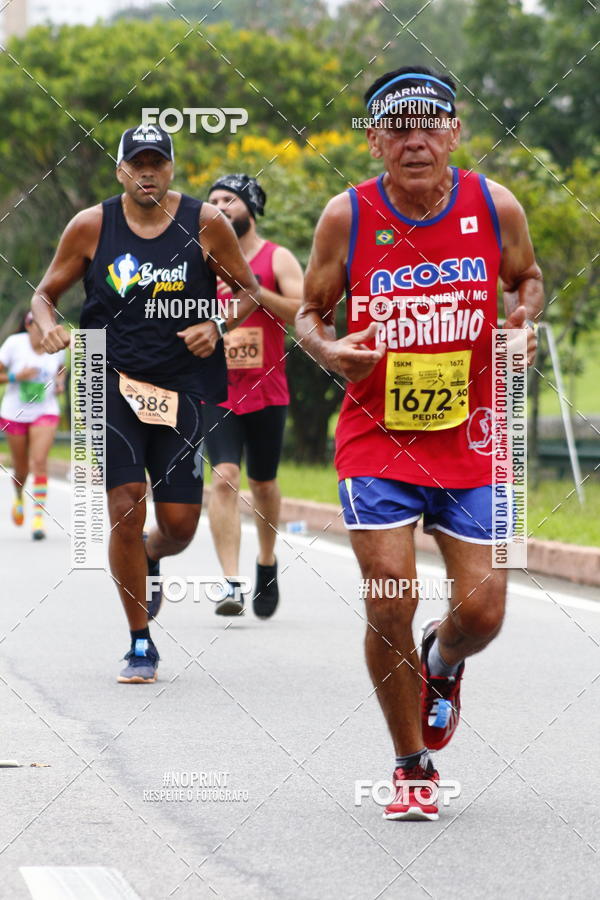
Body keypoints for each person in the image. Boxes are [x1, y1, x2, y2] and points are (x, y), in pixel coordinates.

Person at [296, 66, 543, 820]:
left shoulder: (493, 205)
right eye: (396, 127)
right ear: (373, 140)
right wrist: (327, 351)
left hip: (470, 439)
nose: (414, 141)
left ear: (454, 132)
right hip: (377, 439)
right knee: (389, 594)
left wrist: (525, 321)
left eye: (429, 124)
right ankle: (410, 765)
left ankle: (441, 661)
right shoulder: (348, 217)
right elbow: (310, 312)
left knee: (484, 615)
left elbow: (527, 278)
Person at [32, 124, 261, 684]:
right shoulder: (92, 225)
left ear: (173, 169)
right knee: (127, 501)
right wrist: (46, 326)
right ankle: (140, 641)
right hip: (105, 373)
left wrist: (216, 322)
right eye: (138, 163)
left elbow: (249, 290)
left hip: (180, 385)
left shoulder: (206, 223)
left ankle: (153, 557)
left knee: (180, 524)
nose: (148, 173)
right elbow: (44, 294)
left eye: (157, 162)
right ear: (121, 171)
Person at [204, 174, 303, 618]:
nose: (220, 207)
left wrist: (255, 292)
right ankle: (230, 582)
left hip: (268, 390)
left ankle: (267, 561)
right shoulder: (202, 259)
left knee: (263, 482)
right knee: (224, 476)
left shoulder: (276, 257)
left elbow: (304, 314)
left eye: (229, 200)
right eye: (213, 201)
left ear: (250, 208)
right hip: (217, 390)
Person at [0, 311, 66, 539]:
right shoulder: (13, 345)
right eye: (38, 326)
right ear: (28, 326)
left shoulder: (56, 347)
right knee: (21, 469)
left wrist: (59, 383)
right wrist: (16, 376)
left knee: (39, 462)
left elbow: (61, 370)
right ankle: (19, 496)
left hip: (45, 411)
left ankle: (38, 518)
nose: (44, 331)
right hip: (14, 413)